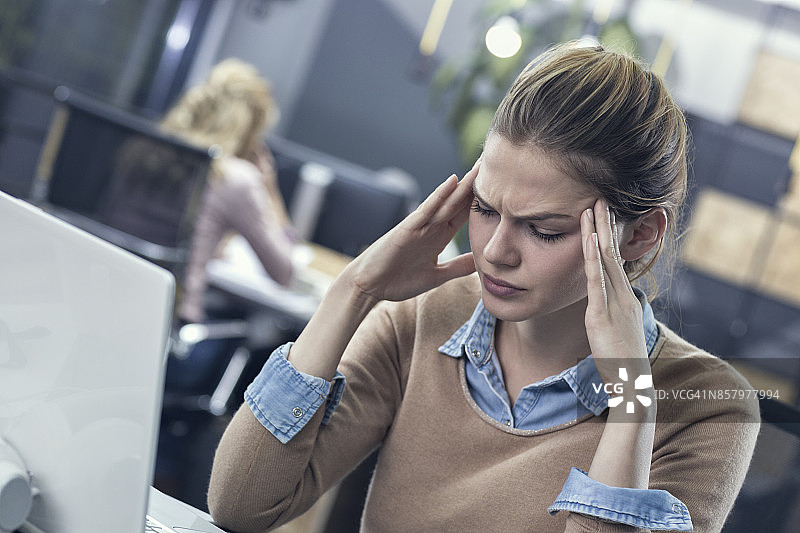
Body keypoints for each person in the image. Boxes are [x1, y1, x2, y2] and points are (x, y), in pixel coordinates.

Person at [207, 42, 759, 532]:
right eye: (485, 208)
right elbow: (241, 505)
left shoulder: (710, 408)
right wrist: (353, 291)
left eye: (545, 231)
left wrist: (631, 399)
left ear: (638, 235)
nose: (495, 251)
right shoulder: (423, 317)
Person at [161, 58, 295, 325]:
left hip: (109, 297)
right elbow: (284, 272)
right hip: (171, 324)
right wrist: (270, 189)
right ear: (249, 131)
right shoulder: (236, 178)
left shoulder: (149, 150)